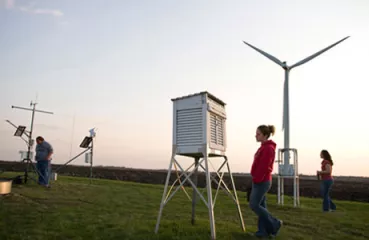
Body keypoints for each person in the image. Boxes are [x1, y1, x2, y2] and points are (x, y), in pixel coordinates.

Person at [249, 125, 282, 238]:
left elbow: (264, 167)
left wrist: (257, 179)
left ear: (265, 135)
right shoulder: (263, 147)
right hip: (259, 180)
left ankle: (275, 223)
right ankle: (263, 232)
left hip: (262, 181)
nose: (256, 135)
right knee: (261, 205)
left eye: (258, 134)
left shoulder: (268, 148)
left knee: (254, 205)